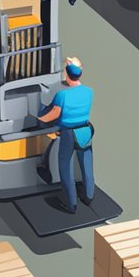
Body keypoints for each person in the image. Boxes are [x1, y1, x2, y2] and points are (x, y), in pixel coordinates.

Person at [38, 57, 95, 213]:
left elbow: (52, 115)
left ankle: (71, 204)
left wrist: (37, 116)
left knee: (65, 166)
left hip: (69, 134)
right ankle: (88, 196)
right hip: (85, 131)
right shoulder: (89, 92)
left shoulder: (62, 96)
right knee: (87, 164)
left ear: (67, 75)